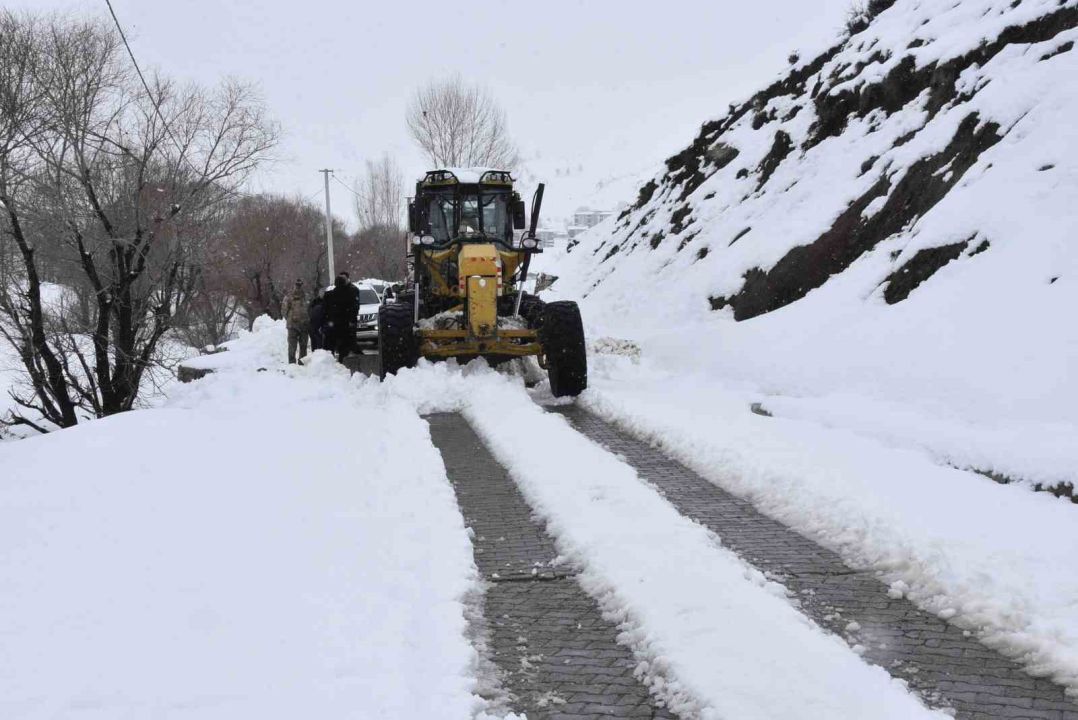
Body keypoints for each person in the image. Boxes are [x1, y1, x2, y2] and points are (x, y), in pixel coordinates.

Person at [323, 274, 359, 361]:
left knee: (330, 345)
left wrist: (327, 321)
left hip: (333, 325)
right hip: (345, 325)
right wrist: (351, 321)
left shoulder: (329, 295)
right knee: (345, 346)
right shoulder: (351, 294)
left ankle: (329, 361)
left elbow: (324, 310)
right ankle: (343, 361)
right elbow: (354, 308)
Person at [281, 279, 309, 364]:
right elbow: (309, 309)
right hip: (304, 323)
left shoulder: (288, 296)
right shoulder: (306, 296)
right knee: (303, 345)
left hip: (292, 324)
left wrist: (289, 318)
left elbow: (284, 310)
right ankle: (302, 362)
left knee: (292, 345)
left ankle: (292, 362)